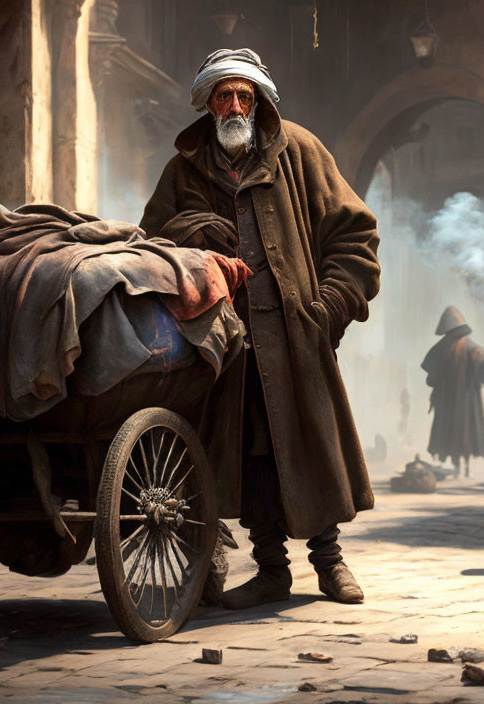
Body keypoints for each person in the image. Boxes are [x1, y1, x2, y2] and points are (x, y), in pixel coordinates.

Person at [140, 48, 380, 609]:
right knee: (252, 457)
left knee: (310, 444)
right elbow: (149, 242)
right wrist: (191, 227)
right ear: (208, 103)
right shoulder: (185, 169)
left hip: (295, 334)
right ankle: (271, 569)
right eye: (223, 95)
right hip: (222, 342)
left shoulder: (298, 150)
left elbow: (355, 234)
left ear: (260, 103)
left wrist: (328, 306)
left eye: (244, 96)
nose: (234, 106)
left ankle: (330, 564)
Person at [421, 306, 484, 478]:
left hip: (450, 402)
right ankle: (464, 467)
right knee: (467, 432)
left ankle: (458, 467)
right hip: (467, 402)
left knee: (452, 432)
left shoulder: (441, 349)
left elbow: (430, 379)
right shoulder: (473, 348)